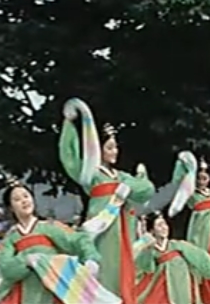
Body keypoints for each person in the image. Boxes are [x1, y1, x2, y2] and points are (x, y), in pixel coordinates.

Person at [59, 98, 156, 304]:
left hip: (125, 231)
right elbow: (69, 156)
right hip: (102, 231)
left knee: (124, 275)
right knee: (103, 273)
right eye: (110, 147)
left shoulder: (122, 176)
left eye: (116, 147)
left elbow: (147, 189)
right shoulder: (92, 175)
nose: (115, 152)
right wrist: (69, 124)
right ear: (99, 148)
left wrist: (130, 185)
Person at [0, 176, 108, 304]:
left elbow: (77, 240)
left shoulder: (49, 227)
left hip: (52, 288)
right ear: (11, 207)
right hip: (24, 293)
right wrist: (26, 260)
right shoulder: (10, 238)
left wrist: (90, 258)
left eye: (26, 196)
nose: (24, 201)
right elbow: (6, 268)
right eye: (17, 199)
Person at [135, 211, 210, 304]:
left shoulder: (179, 246)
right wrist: (147, 247)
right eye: (159, 225)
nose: (164, 228)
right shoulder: (151, 251)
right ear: (152, 230)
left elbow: (201, 258)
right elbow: (147, 268)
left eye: (165, 224)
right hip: (162, 287)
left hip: (183, 285)